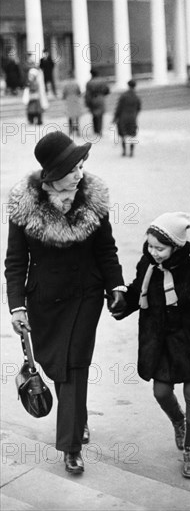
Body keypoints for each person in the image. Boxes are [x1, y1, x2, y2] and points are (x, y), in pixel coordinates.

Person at [4, 131, 126, 476]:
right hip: (44, 300)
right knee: (59, 364)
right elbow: (15, 262)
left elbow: (106, 250)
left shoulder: (93, 200)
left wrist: (116, 285)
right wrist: (17, 306)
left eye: (82, 164)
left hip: (86, 295)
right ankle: (79, 419)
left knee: (74, 365)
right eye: (73, 167)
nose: (81, 172)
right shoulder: (23, 206)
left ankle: (70, 446)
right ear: (54, 174)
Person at [113, 212, 190, 479]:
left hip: (189, 344)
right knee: (160, 392)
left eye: (160, 248)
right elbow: (137, 292)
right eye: (150, 246)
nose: (154, 252)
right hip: (159, 344)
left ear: (176, 246)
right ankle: (178, 421)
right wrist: (123, 302)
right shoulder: (146, 267)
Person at [112, 79, 142, 157]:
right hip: (132, 117)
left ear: (128, 86)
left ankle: (124, 151)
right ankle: (131, 151)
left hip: (123, 117)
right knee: (132, 134)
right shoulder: (136, 97)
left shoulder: (123, 96)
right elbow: (139, 108)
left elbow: (119, 108)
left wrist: (115, 118)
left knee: (123, 134)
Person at [85, 69, 110, 137]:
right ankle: (99, 130)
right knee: (100, 115)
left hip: (93, 99)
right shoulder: (102, 81)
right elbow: (107, 90)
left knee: (94, 115)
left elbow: (87, 94)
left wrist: (87, 103)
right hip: (101, 98)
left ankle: (96, 130)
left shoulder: (89, 83)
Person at [62, 72, 82, 138]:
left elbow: (64, 94)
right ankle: (77, 130)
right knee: (76, 116)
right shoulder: (76, 84)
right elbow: (79, 92)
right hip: (75, 99)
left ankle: (70, 130)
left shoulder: (66, 85)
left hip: (69, 100)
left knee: (70, 116)